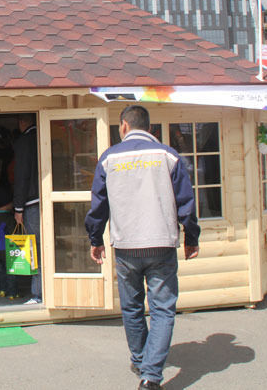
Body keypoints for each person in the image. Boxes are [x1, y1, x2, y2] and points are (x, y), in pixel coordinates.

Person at [85, 106, 200, 390]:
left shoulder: (109, 158)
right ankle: (151, 376)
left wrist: (95, 239)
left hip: (126, 245)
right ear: (149, 128)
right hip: (161, 243)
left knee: (132, 307)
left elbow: (98, 205)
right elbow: (186, 203)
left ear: (124, 125)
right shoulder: (168, 155)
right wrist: (191, 237)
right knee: (162, 310)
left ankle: (140, 361)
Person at [12, 113, 41, 305]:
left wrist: (18, 208)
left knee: (35, 248)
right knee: (48, 246)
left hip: (32, 203)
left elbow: (21, 176)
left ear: (22, 122)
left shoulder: (24, 141)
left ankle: (38, 294)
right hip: (48, 199)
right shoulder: (45, 135)